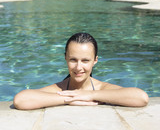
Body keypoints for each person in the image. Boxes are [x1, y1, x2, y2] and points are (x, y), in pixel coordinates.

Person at [14, 33, 149, 110]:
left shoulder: (102, 88)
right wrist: (70, 99)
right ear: (65, 58)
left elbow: (141, 97)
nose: (79, 67)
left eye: (85, 61)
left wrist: (89, 95)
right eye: (73, 60)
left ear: (95, 60)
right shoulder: (60, 89)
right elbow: (20, 100)